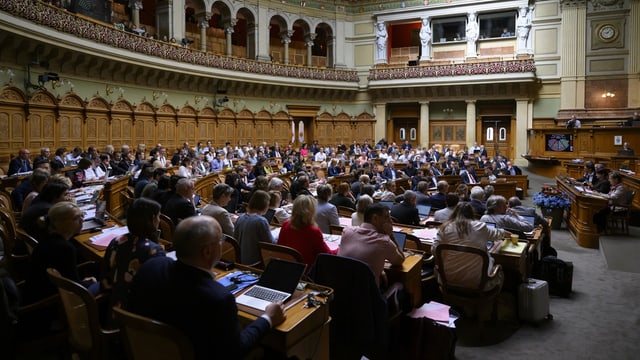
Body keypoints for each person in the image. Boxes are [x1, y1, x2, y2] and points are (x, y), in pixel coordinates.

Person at [127, 216, 285, 359]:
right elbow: (236, 350)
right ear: (208, 251)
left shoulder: (151, 266)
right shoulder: (219, 299)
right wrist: (268, 319)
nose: (222, 243)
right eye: (220, 239)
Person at [22, 201, 97, 304]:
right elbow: (73, 287)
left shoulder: (48, 238)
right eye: (75, 218)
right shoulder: (64, 248)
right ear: (59, 224)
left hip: (37, 294)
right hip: (49, 302)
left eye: (81, 216)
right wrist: (88, 283)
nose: (82, 221)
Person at [99, 198, 165, 311]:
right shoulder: (153, 250)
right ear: (153, 219)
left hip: (113, 304)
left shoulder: (117, 241)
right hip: (136, 313)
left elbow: (105, 274)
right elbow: (159, 289)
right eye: (158, 216)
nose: (159, 220)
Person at [432, 202, 508, 291]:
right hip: (478, 282)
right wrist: (504, 232)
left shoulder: (444, 228)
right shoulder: (481, 227)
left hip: (448, 278)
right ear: (472, 213)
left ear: (455, 213)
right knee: (500, 271)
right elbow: (496, 234)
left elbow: (434, 250)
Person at [339, 203, 404, 287]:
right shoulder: (384, 241)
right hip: (368, 296)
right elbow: (400, 260)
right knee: (400, 285)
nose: (390, 221)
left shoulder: (346, 231)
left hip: (341, 289)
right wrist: (391, 235)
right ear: (375, 218)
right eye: (387, 217)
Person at [277, 195, 337, 269]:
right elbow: (327, 255)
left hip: (288, 267)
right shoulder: (313, 231)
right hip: (308, 270)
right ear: (311, 212)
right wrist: (340, 249)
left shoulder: (285, 224)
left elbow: (280, 247)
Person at [233, 190, 274, 265]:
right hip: (255, 262)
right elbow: (270, 244)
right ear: (264, 205)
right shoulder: (261, 221)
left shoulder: (241, 217)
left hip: (239, 259)